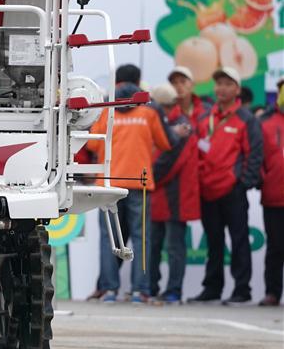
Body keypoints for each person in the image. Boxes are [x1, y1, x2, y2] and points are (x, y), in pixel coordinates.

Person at [86, 82, 174, 303]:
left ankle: (109, 291)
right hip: (139, 183)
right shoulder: (148, 113)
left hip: (109, 185)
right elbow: (165, 144)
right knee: (141, 238)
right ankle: (140, 291)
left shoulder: (107, 112)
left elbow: (91, 145)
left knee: (109, 239)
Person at [189, 67, 262, 306]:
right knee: (214, 241)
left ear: (237, 89)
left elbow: (254, 154)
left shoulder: (246, 118)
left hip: (233, 191)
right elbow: (196, 149)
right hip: (207, 189)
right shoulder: (205, 118)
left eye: (228, 84)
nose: (221, 88)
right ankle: (212, 288)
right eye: (219, 83)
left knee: (239, 240)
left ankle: (243, 290)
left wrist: (243, 183)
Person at [148, 82, 198, 304]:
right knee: (155, 245)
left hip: (174, 195)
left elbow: (168, 164)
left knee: (174, 247)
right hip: (160, 194)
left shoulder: (182, 127)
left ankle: (173, 291)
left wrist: (147, 179)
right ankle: (152, 288)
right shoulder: (171, 124)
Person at [258, 79, 284, 307]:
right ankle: (273, 293)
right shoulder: (265, 122)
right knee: (275, 247)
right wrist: (261, 179)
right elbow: (257, 158)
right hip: (274, 196)